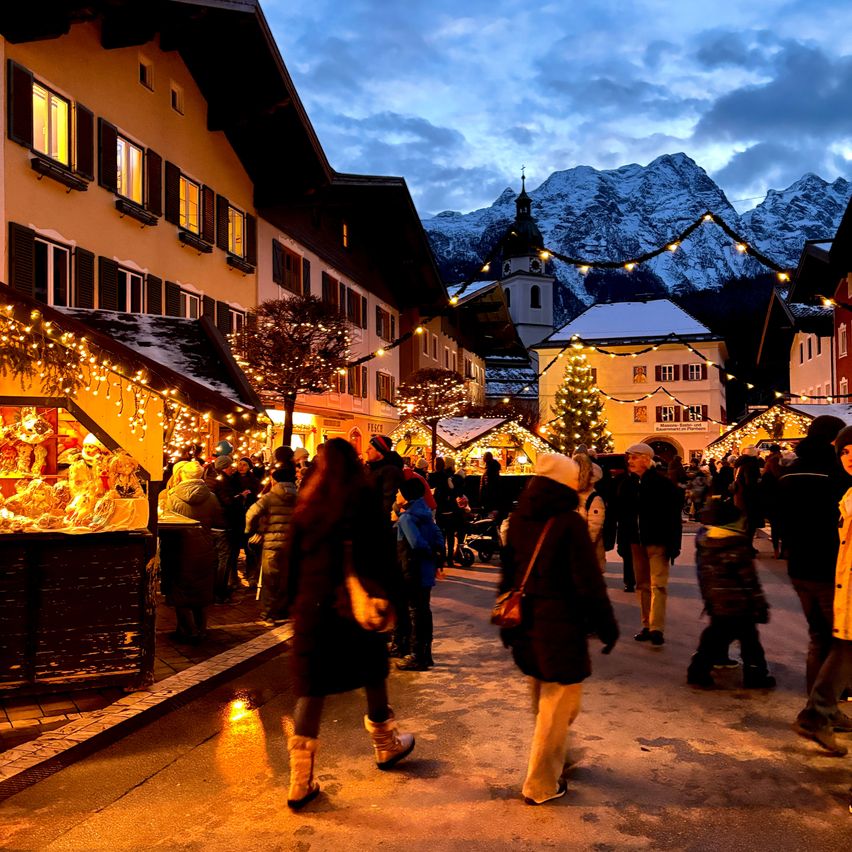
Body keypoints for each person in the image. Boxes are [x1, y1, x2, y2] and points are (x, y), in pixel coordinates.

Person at [284, 438, 414, 809]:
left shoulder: (307, 506)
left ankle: (300, 782)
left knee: (312, 688)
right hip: (357, 607)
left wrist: (289, 603)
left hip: (315, 608)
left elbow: (289, 560)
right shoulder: (364, 502)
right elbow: (385, 558)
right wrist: (397, 603)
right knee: (372, 674)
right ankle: (386, 746)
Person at [499, 453, 618, 805]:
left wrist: (506, 622)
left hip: (527, 622)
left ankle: (560, 754)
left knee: (545, 696)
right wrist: (606, 625)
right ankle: (541, 784)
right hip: (560, 625)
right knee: (558, 702)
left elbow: (509, 572)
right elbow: (589, 582)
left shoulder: (519, 518)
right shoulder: (568, 523)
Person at [792, 423, 852, 756]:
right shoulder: (842, 489)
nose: (849, 457)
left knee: (834, 643)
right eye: (844, 450)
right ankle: (819, 712)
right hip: (830, 576)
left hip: (806, 568)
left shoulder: (791, 472)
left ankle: (820, 711)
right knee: (837, 643)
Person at [777, 414, 848, 694]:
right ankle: (830, 694)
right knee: (839, 635)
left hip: (799, 564)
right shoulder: (836, 473)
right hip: (831, 564)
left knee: (818, 634)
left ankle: (817, 692)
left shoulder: (790, 471)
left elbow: (779, 516)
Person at [687, 499, 775, 689]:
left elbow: (704, 575)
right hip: (740, 605)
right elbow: (749, 580)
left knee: (715, 637)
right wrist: (760, 604)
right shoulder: (737, 545)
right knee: (750, 642)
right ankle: (755, 675)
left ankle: (698, 670)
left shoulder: (706, 543)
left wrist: (709, 598)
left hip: (716, 602)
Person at [609, 443, 682, 646]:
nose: (630, 461)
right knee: (642, 585)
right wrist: (623, 541)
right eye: (629, 458)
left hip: (658, 541)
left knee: (658, 585)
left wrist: (674, 544)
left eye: (634, 457)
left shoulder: (663, 484)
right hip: (636, 542)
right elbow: (622, 516)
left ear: (646, 459)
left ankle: (657, 628)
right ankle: (647, 625)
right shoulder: (626, 484)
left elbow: (673, 516)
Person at [159, 460, 220, 644]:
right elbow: (218, 519)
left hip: (179, 548)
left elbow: (165, 522)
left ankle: (189, 630)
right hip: (204, 547)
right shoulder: (211, 497)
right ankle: (201, 628)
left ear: (182, 475)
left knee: (180, 589)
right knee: (202, 590)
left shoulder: (171, 496)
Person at [395, 476, 444, 670]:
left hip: (412, 569)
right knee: (424, 610)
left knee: (415, 612)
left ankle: (416, 656)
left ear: (406, 495)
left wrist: (428, 551)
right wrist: (436, 553)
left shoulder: (406, 518)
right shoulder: (425, 513)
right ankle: (426, 654)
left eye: (399, 492)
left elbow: (415, 543)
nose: (396, 495)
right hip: (425, 570)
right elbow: (438, 534)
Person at [245, 466, 298, 625]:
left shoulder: (269, 497)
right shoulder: (300, 496)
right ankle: (285, 610)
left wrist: (251, 530)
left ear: (275, 480)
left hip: (271, 543)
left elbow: (251, 513)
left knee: (270, 579)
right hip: (291, 542)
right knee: (288, 578)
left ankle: (268, 613)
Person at [574, 452, 606, 572]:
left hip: (587, 549)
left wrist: (586, 543)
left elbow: (595, 525)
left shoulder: (594, 498)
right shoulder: (576, 495)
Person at [233, 457, 261, 586]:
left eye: (244, 465)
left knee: (250, 548)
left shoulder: (254, 480)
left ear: (249, 467)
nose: (241, 467)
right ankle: (233, 576)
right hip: (236, 517)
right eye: (240, 464)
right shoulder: (232, 479)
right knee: (234, 549)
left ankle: (251, 575)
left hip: (249, 517)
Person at [365, 435, 405, 518]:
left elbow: (389, 502)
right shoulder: (372, 469)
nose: (366, 451)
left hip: (378, 521)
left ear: (380, 452)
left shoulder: (390, 472)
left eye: (370, 448)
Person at [732, 447, 763, 549]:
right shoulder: (751, 465)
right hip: (749, 497)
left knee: (743, 522)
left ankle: (742, 545)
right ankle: (748, 546)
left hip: (739, 496)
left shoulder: (739, 464)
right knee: (750, 523)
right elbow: (750, 482)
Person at [759, 444, 784, 558]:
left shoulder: (770, 465)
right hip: (781, 499)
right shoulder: (782, 462)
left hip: (772, 500)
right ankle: (782, 551)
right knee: (782, 526)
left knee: (775, 526)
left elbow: (764, 486)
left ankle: (776, 551)